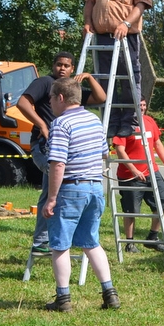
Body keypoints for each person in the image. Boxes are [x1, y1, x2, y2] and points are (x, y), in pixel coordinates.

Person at [42, 77, 120, 312]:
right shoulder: (94, 120)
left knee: (60, 245)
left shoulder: (61, 124)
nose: (50, 103)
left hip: (71, 189)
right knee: (91, 242)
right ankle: (110, 294)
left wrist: (52, 198)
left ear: (61, 98)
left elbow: (58, 164)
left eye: (51, 98)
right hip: (95, 188)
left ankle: (63, 298)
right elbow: (104, 153)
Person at [19, 51, 105, 254]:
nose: (62, 68)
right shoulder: (44, 83)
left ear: (72, 69)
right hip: (43, 145)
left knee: (62, 184)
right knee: (53, 181)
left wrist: (89, 77)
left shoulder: (71, 89)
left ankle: (66, 234)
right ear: (53, 65)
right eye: (59, 64)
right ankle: (42, 240)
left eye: (67, 65)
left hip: (64, 148)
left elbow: (101, 97)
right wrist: (42, 125)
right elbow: (22, 103)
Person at [82, 0, 153, 138]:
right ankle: (111, 121)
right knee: (104, 79)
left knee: (129, 78)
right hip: (102, 36)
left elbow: (141, 5)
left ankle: (128, 122)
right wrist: (87, 22)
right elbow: (90, 1)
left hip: (125, 37)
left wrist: (125, 23)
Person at [112, 98, 164, 253]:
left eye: (143, 105)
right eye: (138, 105)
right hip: (130, 175)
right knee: (131, 210)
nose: (141, 108)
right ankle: (130, 243)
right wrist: (134, 170)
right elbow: (120, 150)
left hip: (152, 172)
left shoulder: (149, 121)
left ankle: (152, 238)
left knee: (163, 202)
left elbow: (157, 143)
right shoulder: (124, 124)